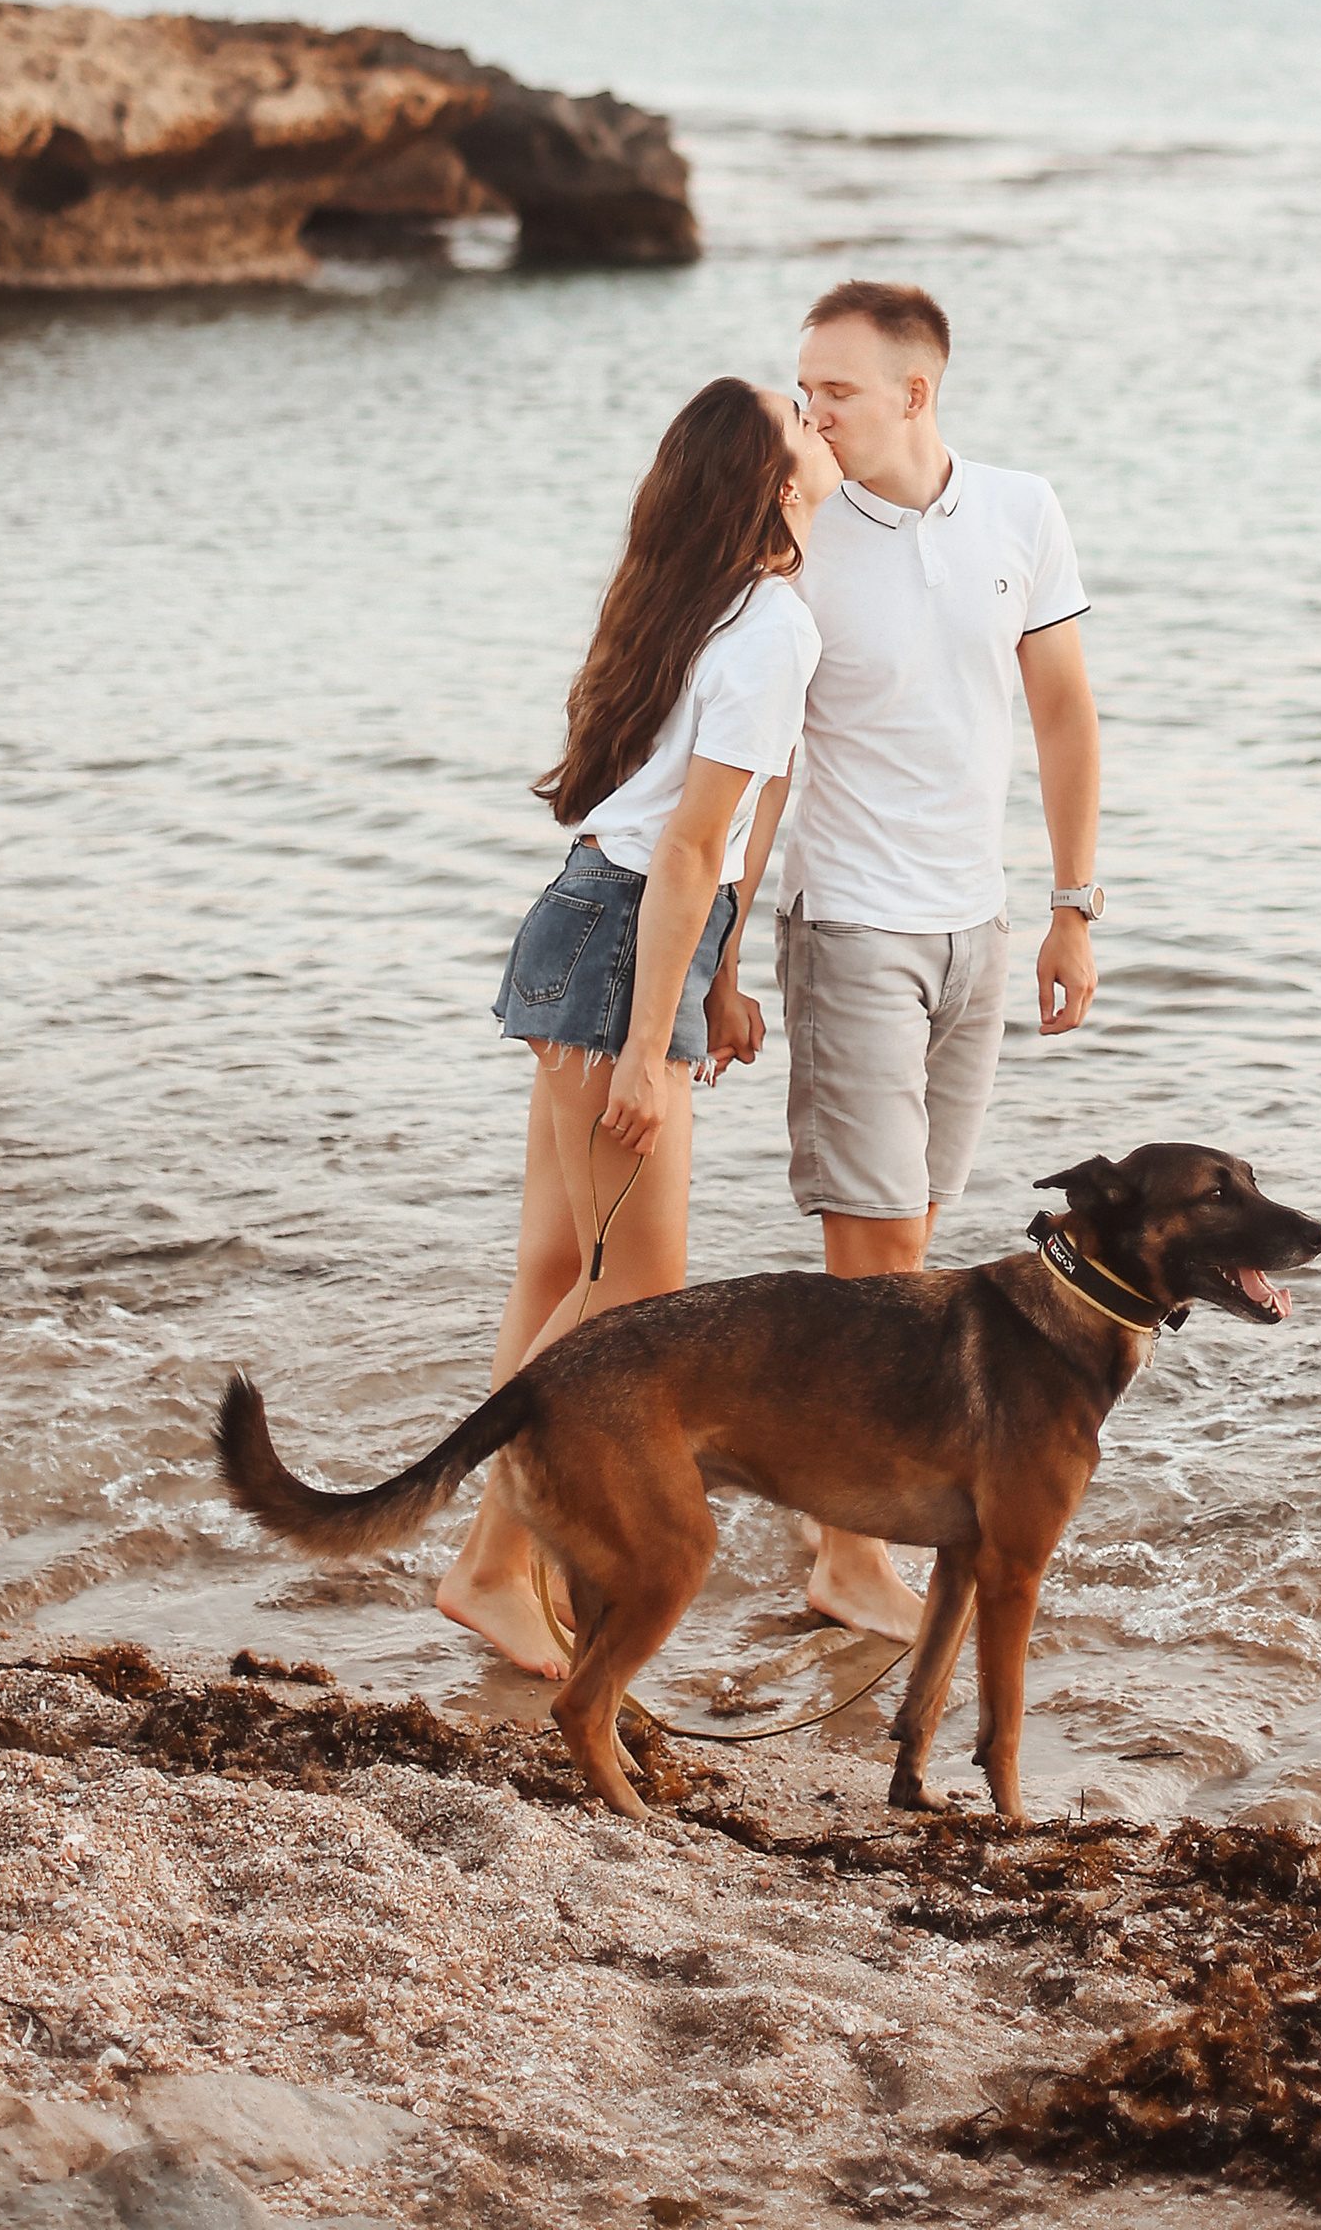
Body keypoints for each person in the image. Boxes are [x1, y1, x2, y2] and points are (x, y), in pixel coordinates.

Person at [435, 375, 840, 1677]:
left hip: (589, 919)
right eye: (803, 427)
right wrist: (653, 1045)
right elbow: (690, 849)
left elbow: (697, 838)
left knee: (558, 1272)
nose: (823, 433)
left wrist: (713, 985)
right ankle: (492, 1568)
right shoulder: (770, 621)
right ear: (776, 490)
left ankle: (519, 1567)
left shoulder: (699, 600)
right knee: (635, 1292)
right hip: (626, 947)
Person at [779, 278, 1103, 1637]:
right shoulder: (791, 527)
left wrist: (1072, 904)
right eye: (804, 392)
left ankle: (853, 1534)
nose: (813, 415)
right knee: (882, 1259)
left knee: (915, 1240)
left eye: (836, 394)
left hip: (977, 927)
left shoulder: (1022, 511)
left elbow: (1067, 715)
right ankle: (852, 1556)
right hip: (849, 920)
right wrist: (724, 954)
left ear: (915, 393)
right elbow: (752, 742)